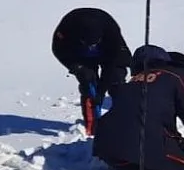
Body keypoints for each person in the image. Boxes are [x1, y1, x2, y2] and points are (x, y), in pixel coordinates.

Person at [93, 45, 184, 170]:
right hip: (145, 147)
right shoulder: (175, 74)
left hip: (106, 149)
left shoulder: (129, 83)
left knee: (142, 158)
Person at [51, 7, 132, 136]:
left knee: (116, 81)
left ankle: (123, 123)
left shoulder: (111, 30)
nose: (91, 47)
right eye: (88, 43)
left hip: (109, 51)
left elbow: (111, 64)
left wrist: (101, 91)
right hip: (79, 53)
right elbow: (59, 50)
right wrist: (77, 68)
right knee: (88, 84)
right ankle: (92, 128)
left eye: (94, 44)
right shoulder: (67, 27)